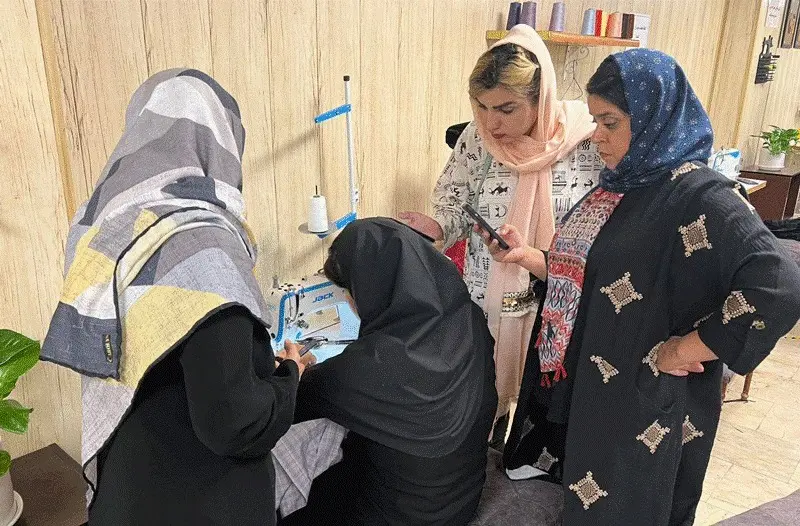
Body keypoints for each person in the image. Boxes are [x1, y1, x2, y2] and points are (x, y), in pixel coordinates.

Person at [477, 49, 800, 525]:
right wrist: (528, 257)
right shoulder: (619, 185)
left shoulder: (700, 195)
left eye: (610, 122)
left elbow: (780, 285)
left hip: (643, 402)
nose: (597, 136)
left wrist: (688, 347)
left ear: (655, 117)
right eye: (595, 121)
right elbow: (594, 275)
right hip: (592, 389)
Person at [40, 69, 309, 525]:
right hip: (199, 500)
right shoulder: (202, 241)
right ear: (219, 142)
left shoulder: (101, 231)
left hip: (128, 484)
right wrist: (290, 375)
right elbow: (233, 423)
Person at [400, 25, 601, 447]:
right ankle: (488, 451)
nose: (492, 122)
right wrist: (439, 227)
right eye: (482, 106)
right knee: (485, 386)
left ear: (540, 97)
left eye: (507, 109)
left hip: (557, 291)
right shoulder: (477, 139)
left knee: (545, 393)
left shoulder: (586, 138)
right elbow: (454, 201)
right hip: (489, 290)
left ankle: (529, 459)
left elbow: (600, 222)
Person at [278, 218, 498, 526]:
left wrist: (291, 368)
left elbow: (290, 403)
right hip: (460, 502)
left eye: (350, 291)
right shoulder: (471, 321)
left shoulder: (361, 370)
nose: (349, 301)